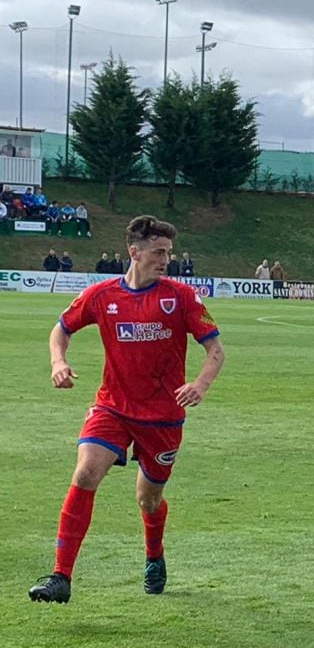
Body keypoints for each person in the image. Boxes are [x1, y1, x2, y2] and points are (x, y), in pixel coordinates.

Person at [28, 215, 225, 604]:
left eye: (168, 252)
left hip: (163, 417)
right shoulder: (102, 295)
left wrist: (199, 384)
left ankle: (154, 554)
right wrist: (57, 362)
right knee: (85, 473)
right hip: (112, 408)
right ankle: (61, 576)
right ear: (134, 252)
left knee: (148, 499)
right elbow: (61, 329)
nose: (166, 259)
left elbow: (216, 351)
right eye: (158, 252)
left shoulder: (182, 297)